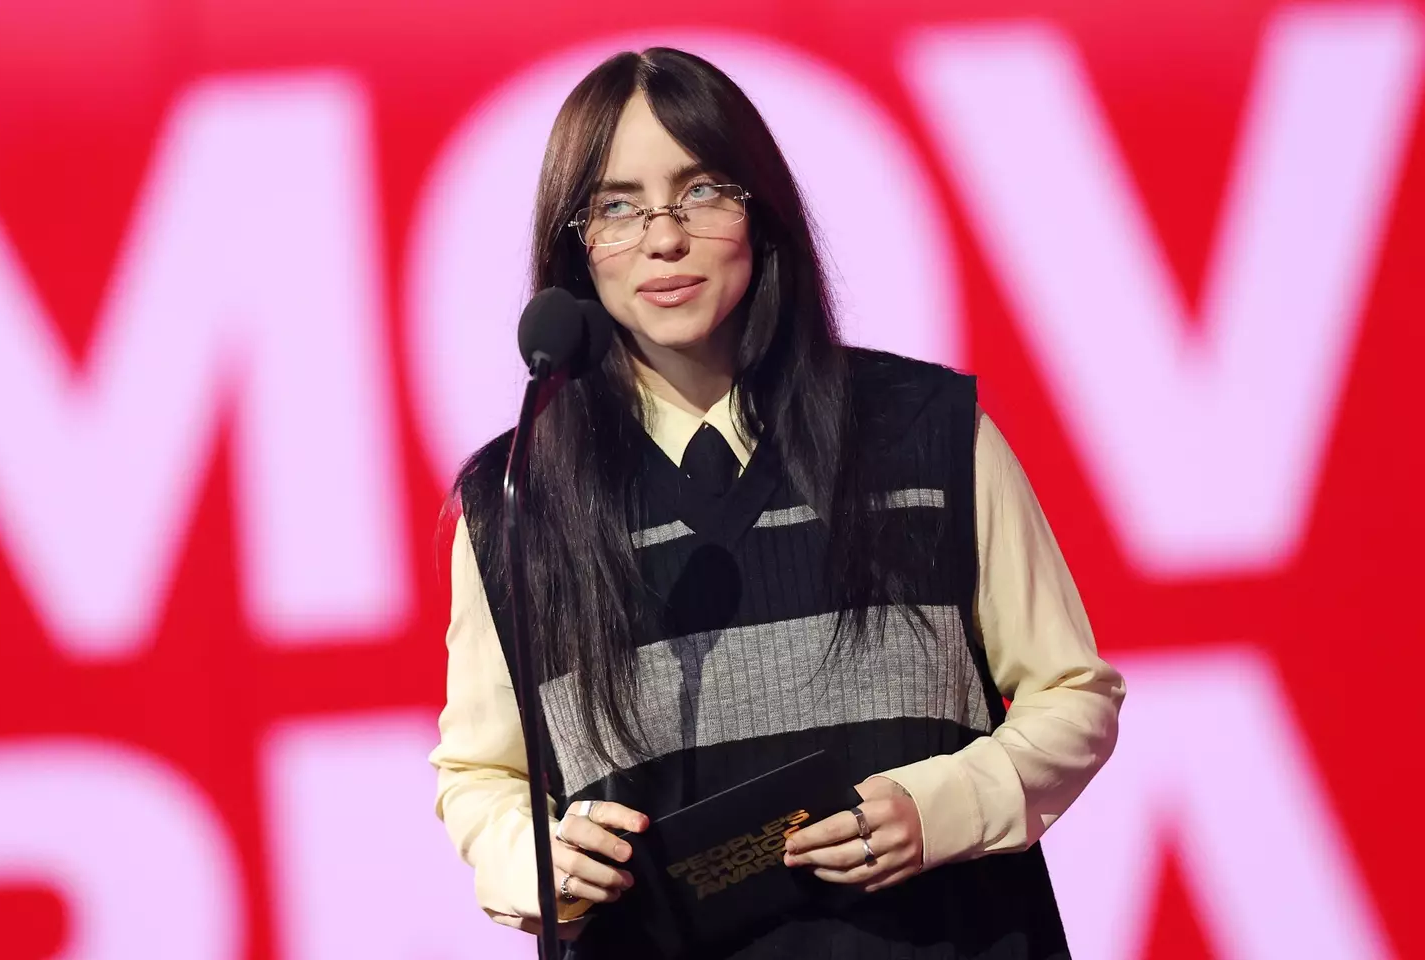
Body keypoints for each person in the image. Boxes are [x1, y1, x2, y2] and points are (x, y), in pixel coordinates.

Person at [428, 46, 1125, 960]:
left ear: (761, 212)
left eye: (703, 191)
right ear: (576, 246)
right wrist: (534, 861)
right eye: (617, 206)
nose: (664, 238)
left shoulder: (927, 434)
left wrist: (942, 807)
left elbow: (1074, 694)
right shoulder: (519, 503)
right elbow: (481, 771)